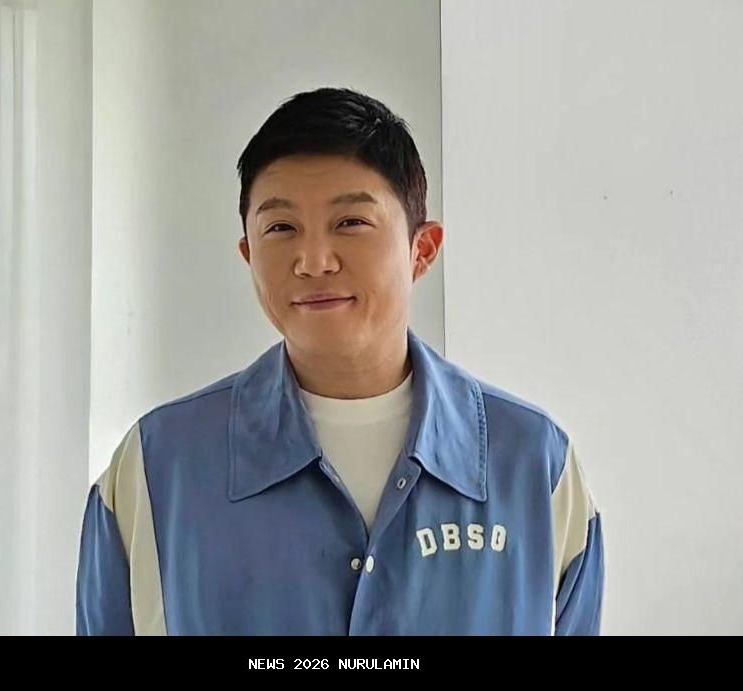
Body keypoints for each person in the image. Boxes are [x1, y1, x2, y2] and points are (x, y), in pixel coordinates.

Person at [76, 87, 604, 635]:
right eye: (281, 228)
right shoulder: (159, 467)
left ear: (422, 250)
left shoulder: (533, 465)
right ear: (249, 255)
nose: (313, 261)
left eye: (350, 222)